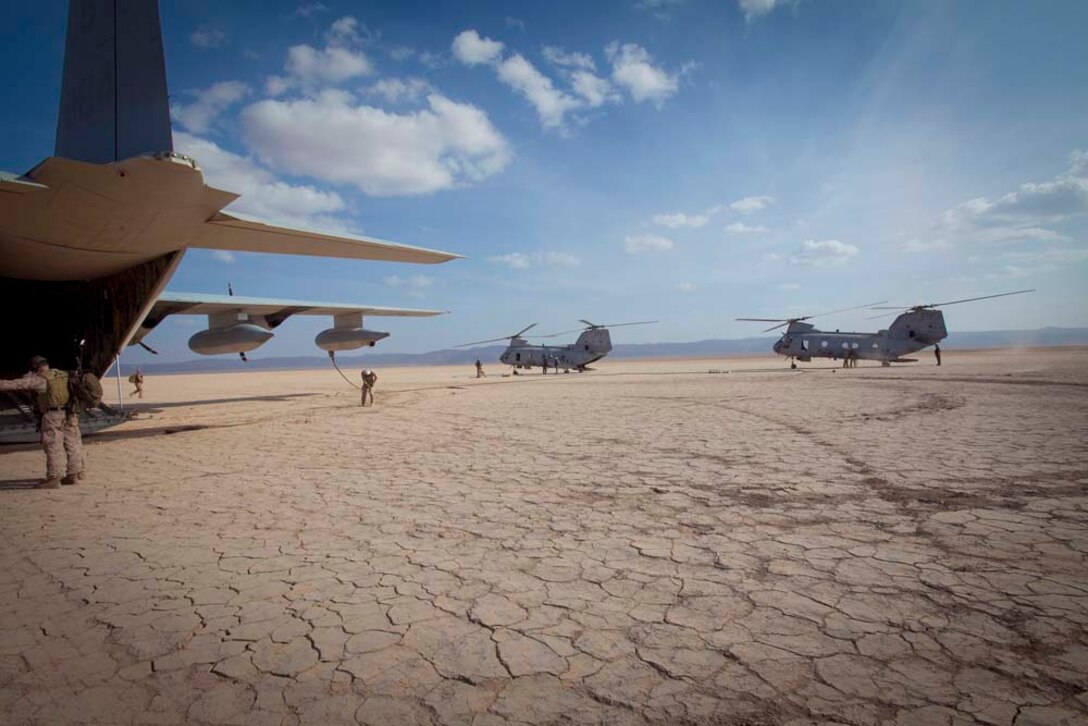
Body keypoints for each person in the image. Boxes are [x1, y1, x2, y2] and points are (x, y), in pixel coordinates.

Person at [0, 356, 84, 489]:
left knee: (53, 446)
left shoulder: (41, 380)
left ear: (35, 368)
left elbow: (16, 384)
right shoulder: (63, 374)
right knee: (73, 444)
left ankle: (54, 478)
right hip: (71, 414)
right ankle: (74, 474)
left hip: (53, 415)